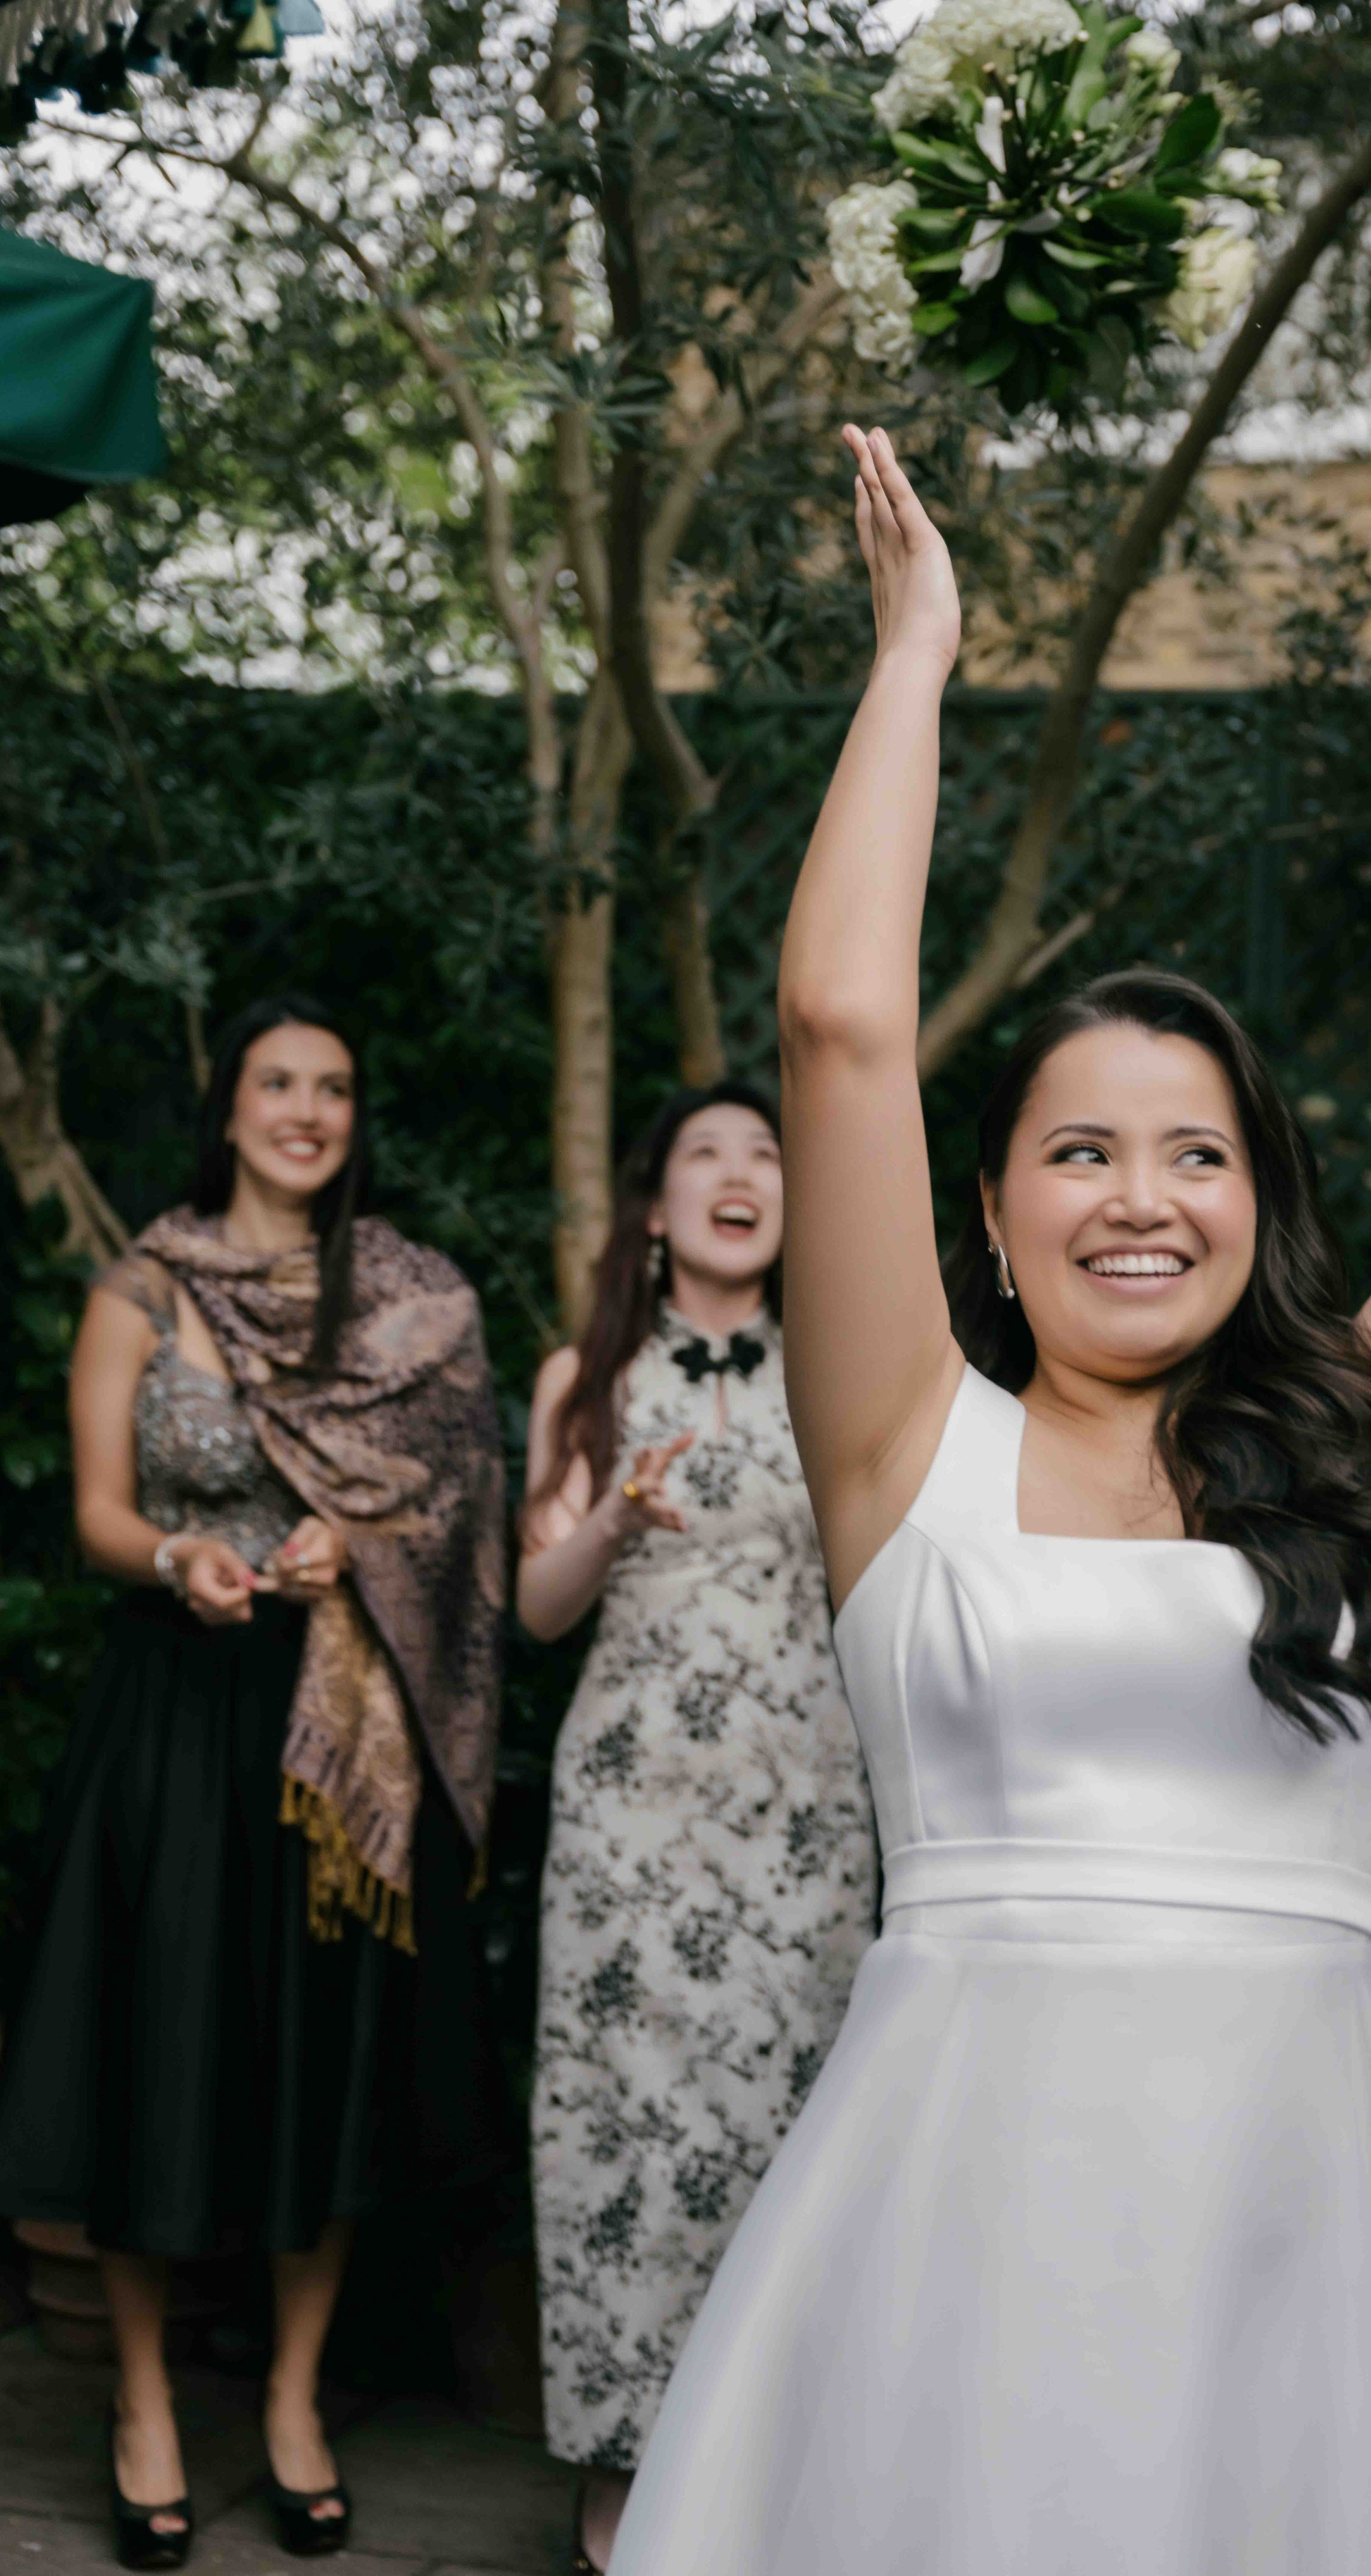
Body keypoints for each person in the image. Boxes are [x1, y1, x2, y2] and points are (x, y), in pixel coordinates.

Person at [604, 417, 1371, 2573]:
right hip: (947, 2238)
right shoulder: (903, 1450)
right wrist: (915, 659)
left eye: (1197, 1154)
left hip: (1297, 2232)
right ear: (991, 1212)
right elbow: (839, 1023)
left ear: (1261, 1204)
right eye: (1081, 1151)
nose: (1140, 1199)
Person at [0, 996, 508, 2571]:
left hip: (344, 1736)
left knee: (314, 2057)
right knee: (154, 2051)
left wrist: (370, 1544)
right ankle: (142, 2402)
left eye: (334, 1086)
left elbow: (456, 1508)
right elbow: (92, 1515)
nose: (307, 1108)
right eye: (278, 1082)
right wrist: (180, 1555)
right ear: (228, 1110)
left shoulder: (412, 1301)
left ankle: (289, 2399)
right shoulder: (143, 1287)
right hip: (175, 1717)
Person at [518, 1083, 878, 2574]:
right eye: (704, 1154)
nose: (738, 1174)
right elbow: (532, 1610)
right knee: (627, 2139)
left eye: (765, 1153)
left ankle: (766, 2478)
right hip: (631, 1820)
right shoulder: (581, 1378)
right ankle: (619, 2488)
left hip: (804, 1822)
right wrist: (609, 1525)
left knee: (783, 2136)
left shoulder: (848, 1375)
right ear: (653, 1204)